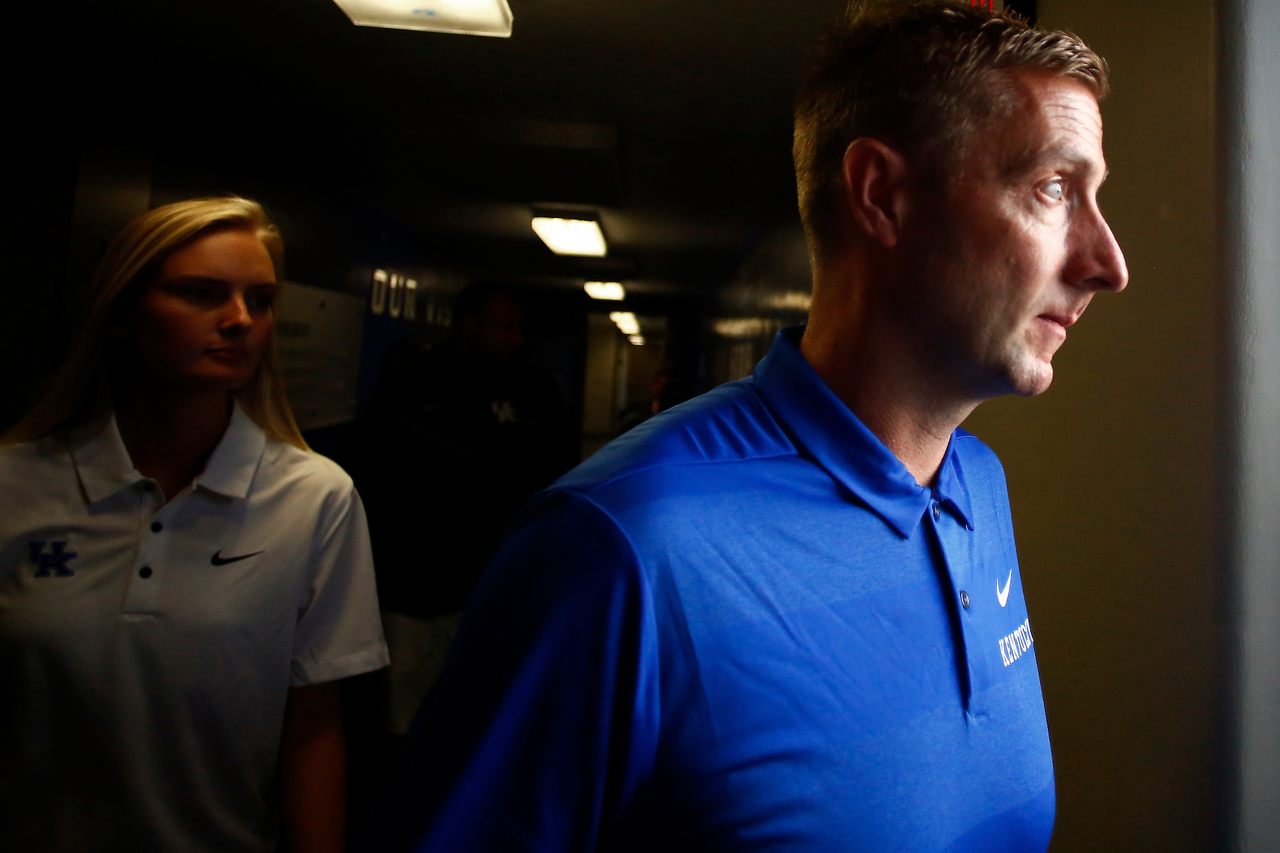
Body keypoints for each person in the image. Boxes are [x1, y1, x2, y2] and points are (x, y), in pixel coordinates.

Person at [370, 2, 1128, 851]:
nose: (1109, 263)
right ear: (883, 194)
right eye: (1054, 189)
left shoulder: (978, 484)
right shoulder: (621, 546)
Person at [0, 197, 389, 852]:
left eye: (260, 300)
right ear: (122, 312)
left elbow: (313, 728)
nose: (240, 320)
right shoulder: (16, 483)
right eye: (201, 294)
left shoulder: (314, 498)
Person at [338, 282, 577, 735]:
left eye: (520, 329)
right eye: (506, 327)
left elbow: (560, 477)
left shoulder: (534, 392)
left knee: (492, 709)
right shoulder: (411, 387)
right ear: (469, 323)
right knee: (410, 710)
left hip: (501, 579)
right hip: (417, 585)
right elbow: (369, 475)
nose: (516, 339)